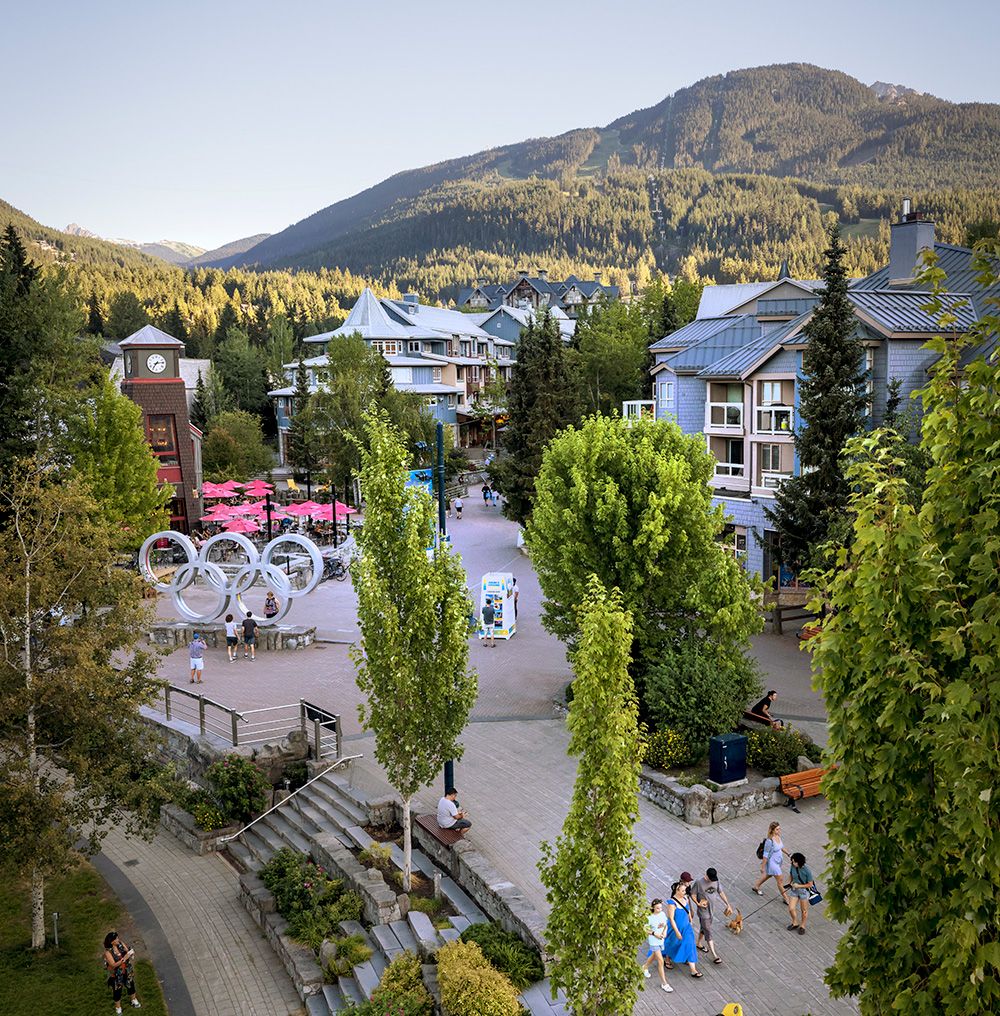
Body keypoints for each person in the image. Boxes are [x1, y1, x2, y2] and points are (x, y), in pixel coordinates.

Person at [692, 867, 733, 964]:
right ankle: (714, 955)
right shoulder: (699, 882)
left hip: (712, 911)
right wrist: (698, 904)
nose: (712, 880)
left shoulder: (716, 881)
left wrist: (728, 904)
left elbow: (721, 892)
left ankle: (698, 943)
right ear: (706, 875)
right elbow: (693, 894)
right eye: (711, 879)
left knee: (704, 928)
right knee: (708, 931)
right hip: (703, 912)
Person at [663, 882, 702, 977]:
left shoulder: (685, 898)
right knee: (672, 943)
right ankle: (667, 958)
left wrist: (690, 919)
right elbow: (671, 918)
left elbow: (687, 910)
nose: (685, 892)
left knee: (690, 944)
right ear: (677, 890)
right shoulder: (672, 903)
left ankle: (693, 970)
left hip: (686, 928)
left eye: (685, 890)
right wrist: (676, 932)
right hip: (675, 929)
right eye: (683, 890)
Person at [640, 898, 673, 993]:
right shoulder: (649, 918)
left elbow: (665, 925)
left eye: (661, 908)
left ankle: (644, 967)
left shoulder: (662, 914)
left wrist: (665, 932)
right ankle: (664, 983)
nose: (660, 910)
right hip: (654, 941)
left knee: (654, 955)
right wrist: (655, 934)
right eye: (658, 908)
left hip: (661, 939)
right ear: (653, 908)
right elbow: (645, 929)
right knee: (660, 961)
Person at [104, 930, 141, 1012]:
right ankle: (118, 1008)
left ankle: (133, 1000)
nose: (118, 939)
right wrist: (124, 958)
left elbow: (127, 951)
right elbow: (113, 965)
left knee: (131, 985)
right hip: (116, 974)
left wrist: (131, 953)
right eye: (116, 939)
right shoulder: (108, 952)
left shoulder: (120, 944)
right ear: (112, 942)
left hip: (127, 970)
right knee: (117, 990)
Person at [753, 820, 790, 900]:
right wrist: (762, 867)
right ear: (772, 830)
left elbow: (781, 847)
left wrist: (788, 854)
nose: (779, 831)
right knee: (780, 881)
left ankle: (756, 886)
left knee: (769, 874)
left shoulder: (778, 836)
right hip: (772, 863)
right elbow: (765, 855)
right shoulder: (769, 841)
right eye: (777, 829)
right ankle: (786, 899)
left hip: (778, 861)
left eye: (779, 829)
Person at [787, 852, 815, 935]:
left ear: (799, 862)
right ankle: (795, 922)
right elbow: (791, 875)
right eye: (792, 861)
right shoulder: (792, 866)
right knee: (791, 908)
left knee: (804, 911)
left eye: (794, 862)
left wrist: (798, 886)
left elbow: (810, 884)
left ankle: (803, 926)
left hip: (804, 891)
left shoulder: (807, 871)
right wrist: (789, 883)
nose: (793, 863)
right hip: (794, 890)